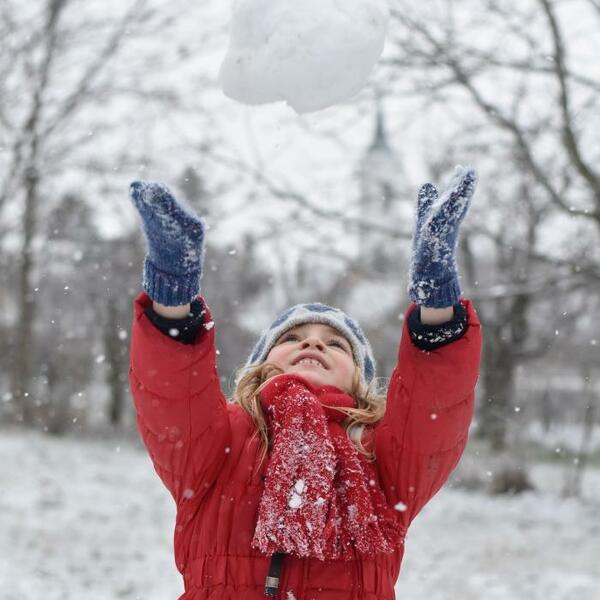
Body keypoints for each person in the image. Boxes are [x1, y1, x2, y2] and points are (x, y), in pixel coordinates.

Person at [127, 166, 482, 600]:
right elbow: (171, 395)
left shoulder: (380, 452)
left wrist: (437, 306)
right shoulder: (223, 437)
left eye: (336, 344)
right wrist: (173, 296)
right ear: (260, 366)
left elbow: (435, 408)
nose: (313, 343)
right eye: (292, 338)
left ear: (358, 380)